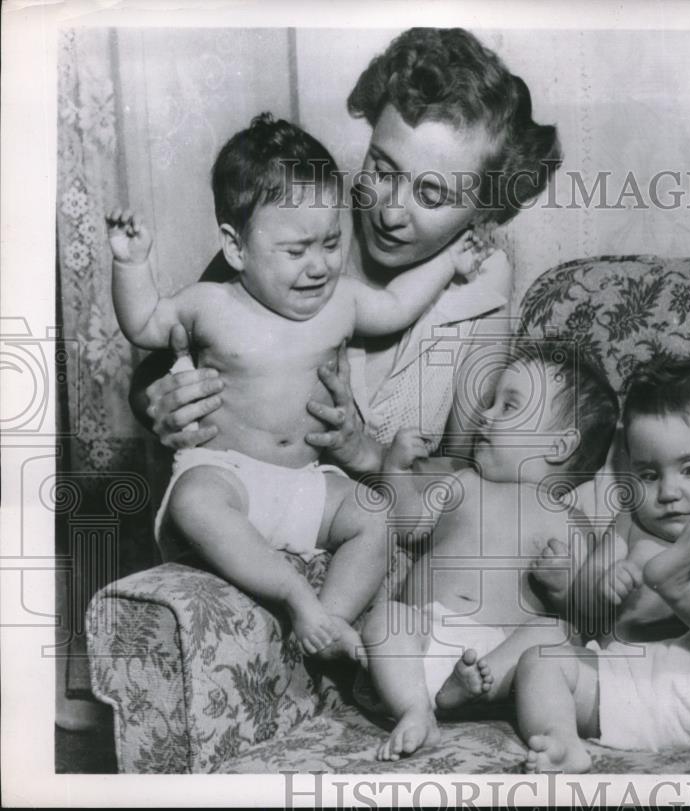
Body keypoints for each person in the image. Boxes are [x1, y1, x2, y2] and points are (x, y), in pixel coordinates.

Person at [107, 113, 477, 658]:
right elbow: (142, 324)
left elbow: (398, 306)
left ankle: (329, 622)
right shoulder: (211, 303)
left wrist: (449, 262)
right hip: (227, 474)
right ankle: (295, 595)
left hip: (308, 481)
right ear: (236, 248)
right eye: (295, 250)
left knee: (374, 516)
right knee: (195, 501)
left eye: (330, 242)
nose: (319, 266)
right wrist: (131, 265)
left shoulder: (342, 301)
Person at [131, 28, 562, 476]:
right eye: (381, 168)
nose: (390, 213)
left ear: (482, 209)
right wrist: (162, 405)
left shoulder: (482, 279)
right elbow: (156, 369)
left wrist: (369, 456)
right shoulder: (304, 221)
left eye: (432, 195)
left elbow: (464, 468)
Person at [512, 359, 690, 773]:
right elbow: (585, 609)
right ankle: (563, 741)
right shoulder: (628, 526)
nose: (668, 492)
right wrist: (606, 582)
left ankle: (675, 584)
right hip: (624, 694)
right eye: (648, 474)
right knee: (539, 661)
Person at [359, 342, 620, 761]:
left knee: (552, 633)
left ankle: (457, 695)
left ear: (558, 445)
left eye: (509, 406)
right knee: (386, 617)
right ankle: (415, 708)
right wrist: (395, 471)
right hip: (420, 640)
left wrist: (565, 585)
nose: (486, 413)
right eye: (491, 401)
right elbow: (407, 527)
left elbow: (586, 618)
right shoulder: (463, 484)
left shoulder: (568, 519)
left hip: (494, 662)